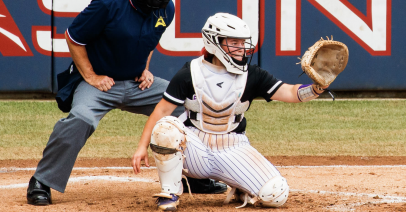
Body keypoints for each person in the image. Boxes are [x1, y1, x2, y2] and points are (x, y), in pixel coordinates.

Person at [27, 0, 226, 206]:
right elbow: (74, 37)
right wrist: (90, 76)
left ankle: (194, 176)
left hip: (137, 84)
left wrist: (145, 68)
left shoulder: (166, 8)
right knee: (80, 119)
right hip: (99, 84)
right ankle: (42, 181)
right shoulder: (109, 4)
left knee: (189, 104)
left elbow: (149, 39)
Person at [131, 13, 330, 211]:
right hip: (195, 147)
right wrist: (142, 146)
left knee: (276, 194)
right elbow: (162, 110)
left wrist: (316, 88)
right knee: (166, 127)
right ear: (213, 42)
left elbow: (288, 91)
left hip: (233, 146)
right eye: (233, 42)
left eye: (243, 43)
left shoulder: (252, 74)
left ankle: (240, 184)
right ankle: (169, 193)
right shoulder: (190, 72)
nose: (241, 48)